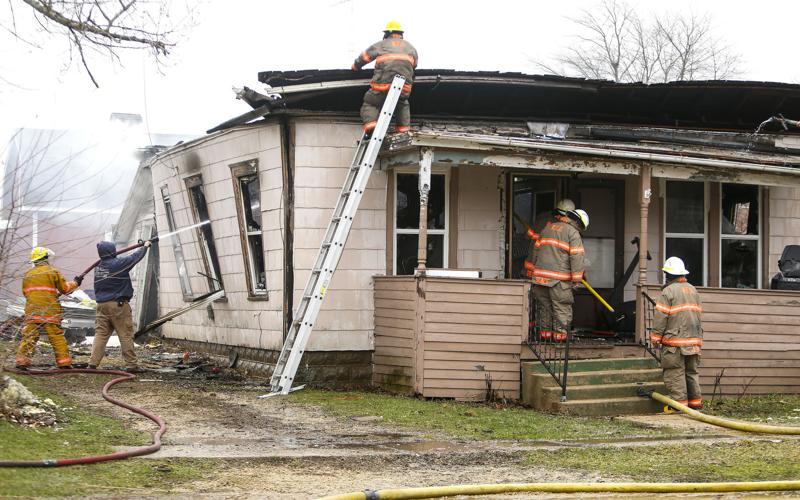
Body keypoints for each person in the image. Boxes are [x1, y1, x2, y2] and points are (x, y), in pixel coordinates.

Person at [88, 240, 151, 372]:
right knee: (125, 335)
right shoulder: (117, 264)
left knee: (101, 335)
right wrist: (145, 246)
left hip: (101, 305)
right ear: (112, 251)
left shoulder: (98, 267)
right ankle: (132, 365)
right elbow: (134, 258)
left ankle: (92, 364)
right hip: (118, 306)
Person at [652, 256, 704, 411]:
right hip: (694, 341)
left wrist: (656, 337)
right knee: (691, 372)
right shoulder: (693, 290)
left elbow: (661, 316)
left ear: (668, 274)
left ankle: (679, 407)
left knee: (675, 373)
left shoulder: (668, 291)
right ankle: (695, 405)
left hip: (674, 343)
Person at [529, 208, 589, 341]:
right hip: (559, 282)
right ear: (578, 222)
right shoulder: (572, 233)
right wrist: (577, 280)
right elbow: (577, 257)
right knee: (561, 309)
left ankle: (544, 338)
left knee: (544, 309)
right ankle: (560, 340)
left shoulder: (547, 228)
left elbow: (535, 251)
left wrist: (534, 272)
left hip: (540, 279)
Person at [15, 247, 79, 369]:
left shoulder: (28, 274)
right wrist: (75, 283)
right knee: (56, 337)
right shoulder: (52, 272)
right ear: (45, 258)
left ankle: (22, 362)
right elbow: (64, 289)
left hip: (32, 310)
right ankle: (64, 363)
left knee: (29, 337)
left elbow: (26, 293)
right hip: (50, 311)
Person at [351, 20, 418, 137]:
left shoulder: (381, 45)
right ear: (401, 34)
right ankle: (403, 131)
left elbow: (364, 57)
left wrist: (355, 66)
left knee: (371, 103)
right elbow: (414, 66)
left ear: (387, 33)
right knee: (402, 104)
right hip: (404, 88)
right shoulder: (411, 48)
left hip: (382, 85)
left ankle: (372, 128)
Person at [524, 199, 576, 279]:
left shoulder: (541, 220)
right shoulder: (566, 228)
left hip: (532, 266)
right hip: (549, 271)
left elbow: (526, 237)